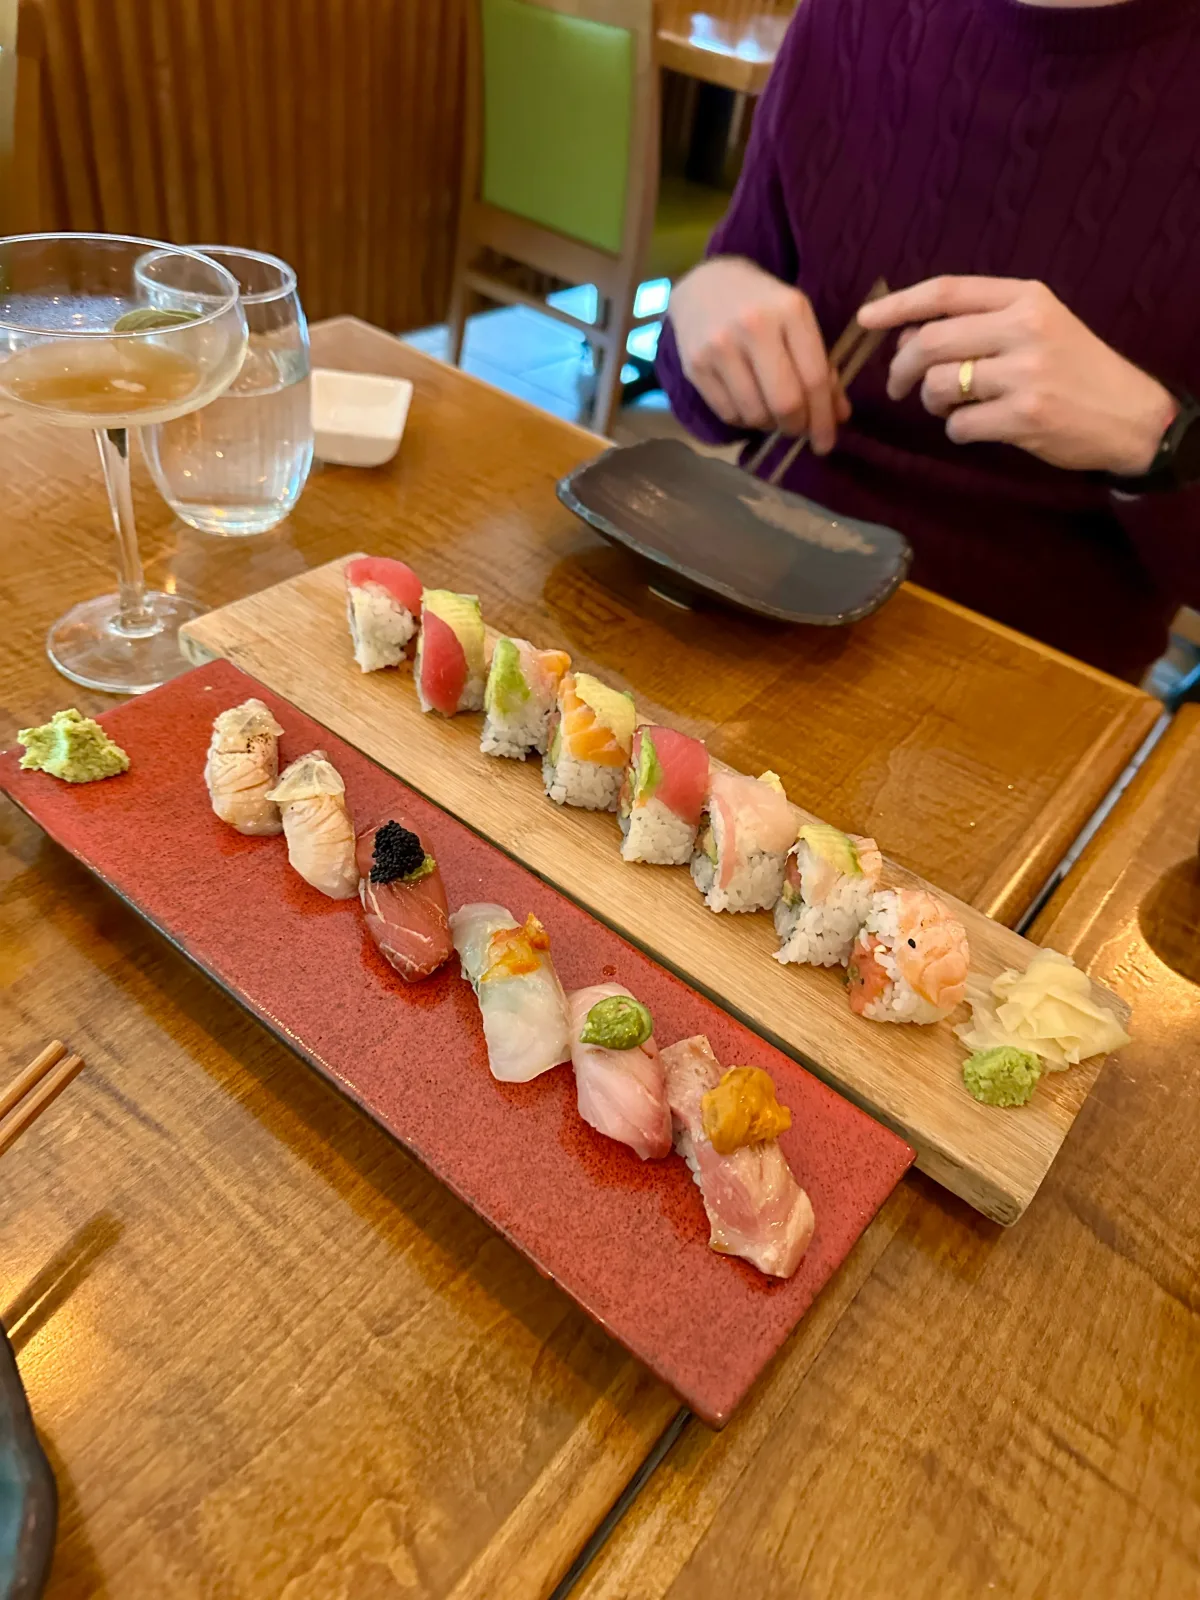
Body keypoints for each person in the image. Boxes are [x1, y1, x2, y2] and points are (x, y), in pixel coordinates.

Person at [657, 0, 1200, 679]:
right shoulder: (846, 18)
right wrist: (704, 296)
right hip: (753, 587)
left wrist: (1156, 440)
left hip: (1032, 678)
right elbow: (699, 396)